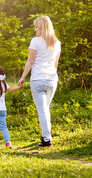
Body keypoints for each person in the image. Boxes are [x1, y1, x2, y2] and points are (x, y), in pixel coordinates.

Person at [17, 16, 61, 148]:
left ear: (42, 28)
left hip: (38, 80)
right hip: (52, 80)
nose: (35, 29)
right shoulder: (57, 43)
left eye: (36, 27)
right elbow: (56, 63)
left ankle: (47, 139)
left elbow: (30, 61)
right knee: (45, 110)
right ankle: (45, 135)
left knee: (42, 111)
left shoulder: (35, 41)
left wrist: (23, 77)